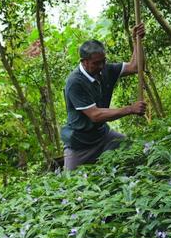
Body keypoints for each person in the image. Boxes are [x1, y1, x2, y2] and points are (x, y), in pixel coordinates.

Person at [60, 24, 147, 170]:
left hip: (103, 135)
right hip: (80, 144)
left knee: (137, 152)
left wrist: (137, 40)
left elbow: (136, 66)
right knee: (71, 185)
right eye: (96, 63)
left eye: (103, 61)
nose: (101, 66)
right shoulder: (75, 82)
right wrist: (130, 109)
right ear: (84, 61)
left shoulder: (106, 70)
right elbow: (95, 115)